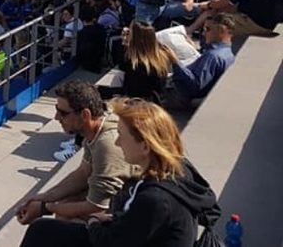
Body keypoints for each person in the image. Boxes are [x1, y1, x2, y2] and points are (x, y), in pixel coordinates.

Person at [19, 98, 220, 247]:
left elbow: (110, 243)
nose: (117, 142)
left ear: (144, 146)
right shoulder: (179, 167)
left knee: (42, 232)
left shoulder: (155, 199)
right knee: (45, 230)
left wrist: (94, 220)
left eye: (122, 137)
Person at [15, 81, 136, 224]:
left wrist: (45, 208)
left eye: (63, 113)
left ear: (85, 115)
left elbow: (96, 206)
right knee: (67, 203)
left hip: (132, 213)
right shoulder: (96, 130)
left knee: (65, 218)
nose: (56, 117)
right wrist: (44, 197)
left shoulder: (107, 144)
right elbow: (84, 173)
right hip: (123, 199)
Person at [168, 14, 236, 107]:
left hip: (178, 94)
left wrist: (174, 61)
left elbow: (194, 86)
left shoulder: (213, 56)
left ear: (221, 31)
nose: (204, 34)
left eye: (207, 29)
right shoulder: (227, 53)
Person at [99, 22, 172, 104]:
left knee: (100, 90)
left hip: (140, 105)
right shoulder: (160, 57)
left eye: (130, 33)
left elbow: (130, 93)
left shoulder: (137, 65)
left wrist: (101, 90)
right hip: (155, 102)